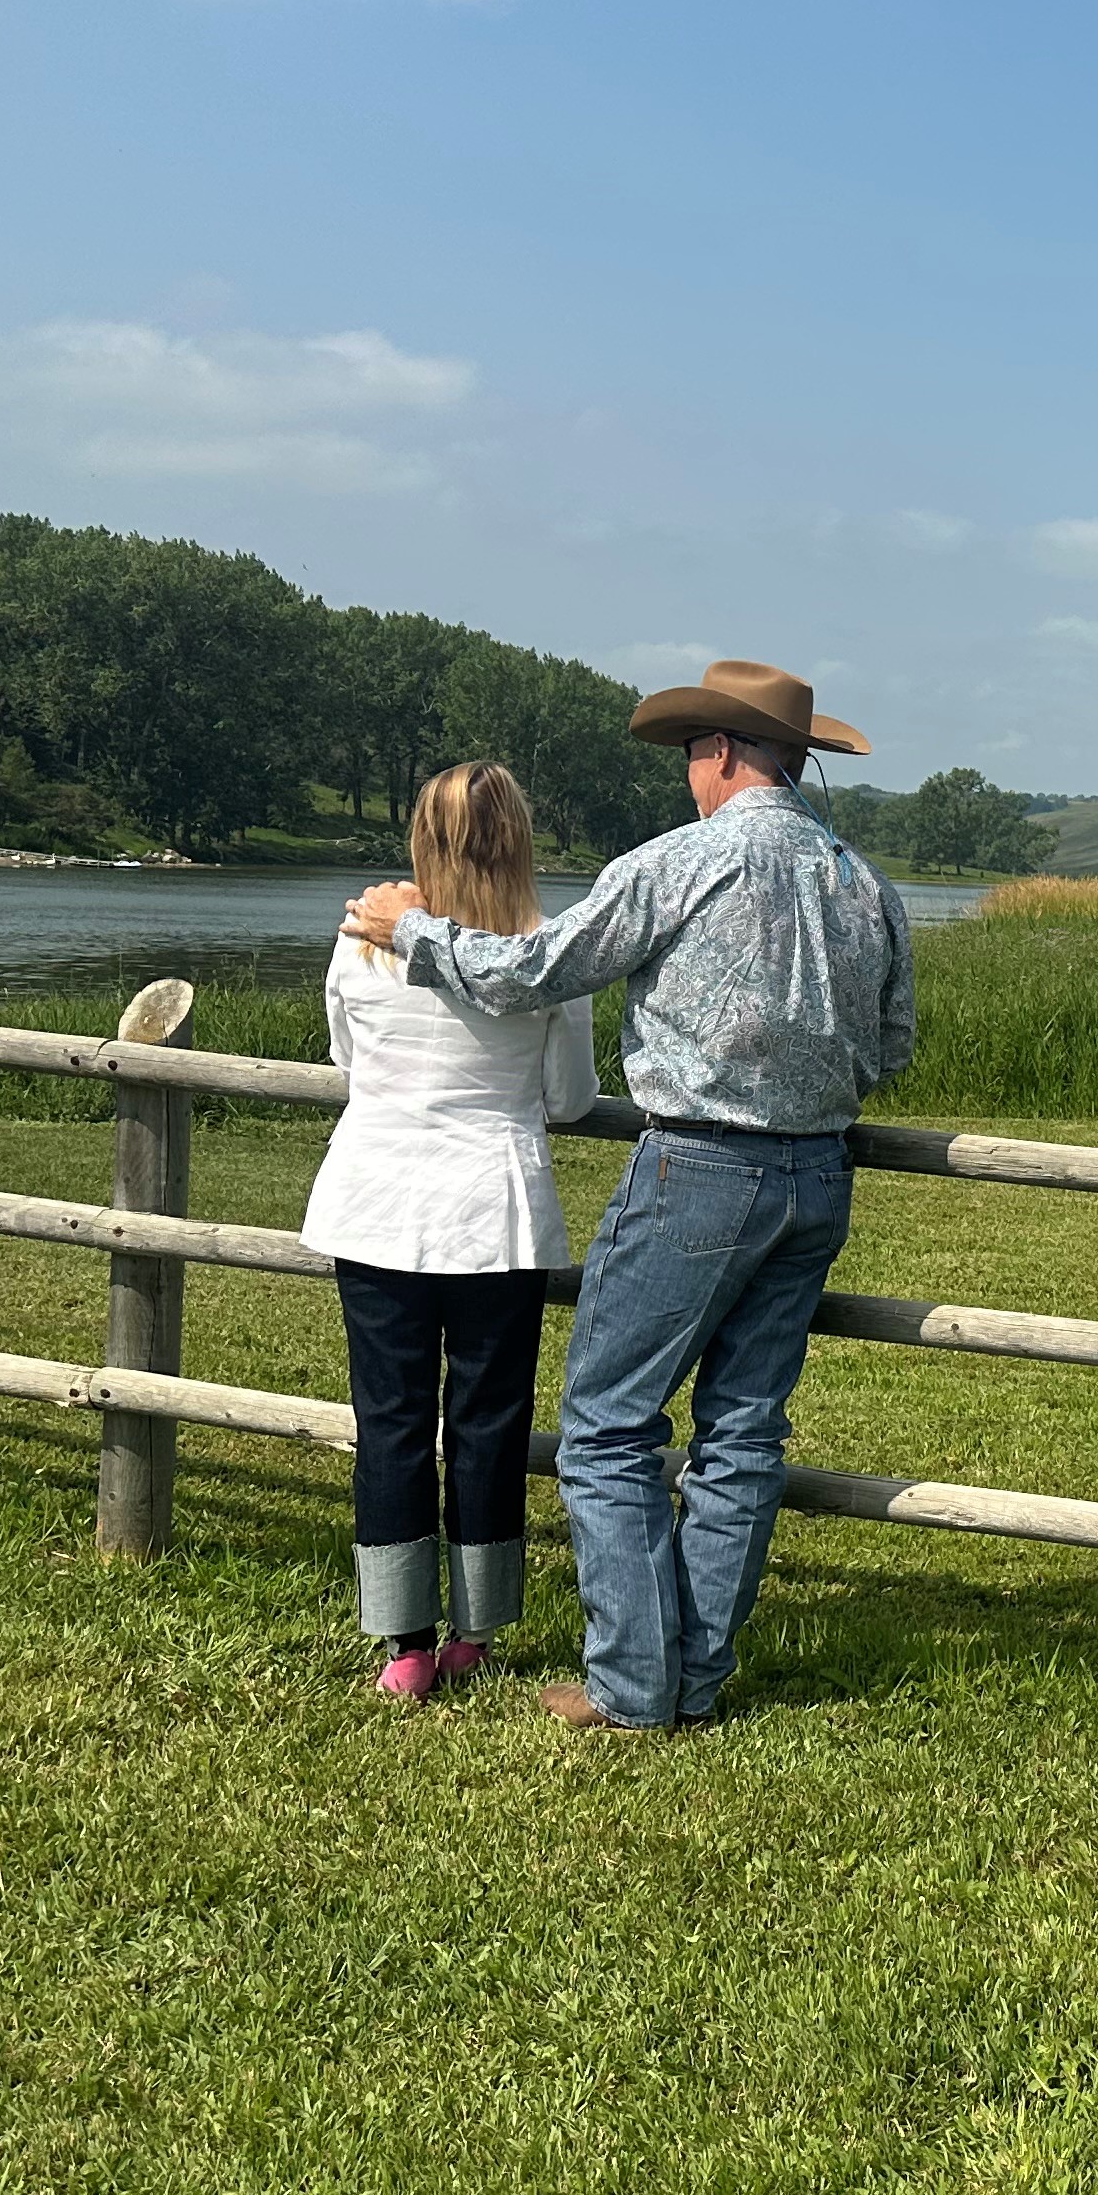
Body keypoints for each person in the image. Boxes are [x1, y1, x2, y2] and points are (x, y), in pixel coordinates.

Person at [339, 661, 913, 1734]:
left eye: (694, 751)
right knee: (743, 1432)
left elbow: (530, 972)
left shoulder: (682, 863)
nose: (689, 774)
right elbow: (891, 1045)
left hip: (698, 1167)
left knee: (608, 1427)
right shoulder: (862, 882)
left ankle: (634, 1684)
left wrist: (410, 930)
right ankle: (693, 1677)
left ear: (725, 754)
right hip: (818, 1173)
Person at [303, 761, 597, 1700]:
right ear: (517, 839)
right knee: (489, 1420)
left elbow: (348, 1058)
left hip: (376, 1198)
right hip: (495, 1211)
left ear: (420, 840)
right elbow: (570, 1097)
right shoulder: (548, 950)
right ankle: (477, 1627)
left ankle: (402, 1641)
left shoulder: (362, 940)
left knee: (389, 1419)